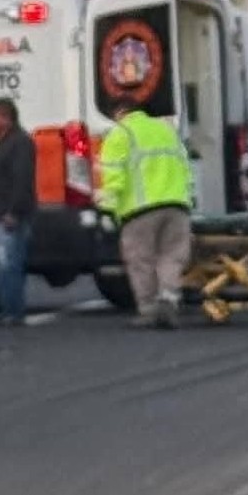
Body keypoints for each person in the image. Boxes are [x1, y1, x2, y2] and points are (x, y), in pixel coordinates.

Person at [97, 98, 193, 330]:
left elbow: (114, 178)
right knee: (172, 256)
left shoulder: (120, 134)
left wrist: (107, 210)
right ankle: (169, 298)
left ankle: (149, 309)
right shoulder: (166, 131)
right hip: (177, 205)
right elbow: (186, 168)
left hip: (140, 210)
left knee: (141, 260)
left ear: (119, 112)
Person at [0, 98, 36, 327]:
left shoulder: (19, 143)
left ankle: (13, 312)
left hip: (9, 216)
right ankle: (7, 310)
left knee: (8, 264)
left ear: (5, 118)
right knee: (3, 264)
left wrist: (13, 211)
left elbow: (21, 179)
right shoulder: (4, 142)